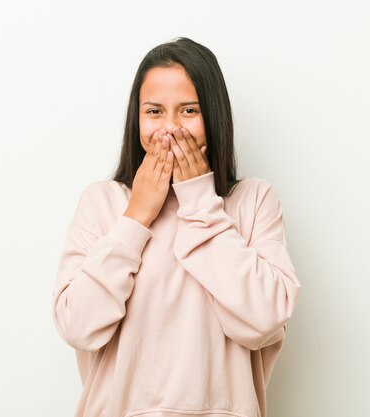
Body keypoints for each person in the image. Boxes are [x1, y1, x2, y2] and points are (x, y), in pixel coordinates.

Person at [52, 37, 301, 417]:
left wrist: (200, 202)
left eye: (188, 110)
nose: (169, 129)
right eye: (154, 112)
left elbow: (264, 319)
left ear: (214, 116)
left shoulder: (253, 201)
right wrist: (136, 217)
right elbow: (77, 326)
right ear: (137, 118)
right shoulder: (103, 203)